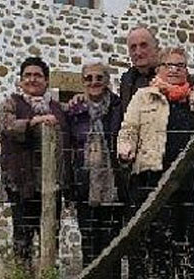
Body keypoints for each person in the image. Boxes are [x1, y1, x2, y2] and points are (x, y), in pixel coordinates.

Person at [117, 46, 194, 279]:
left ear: (186, 70)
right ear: (159, 69)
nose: (174, 70)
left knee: (188, 244)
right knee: (156, 243)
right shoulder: (144, 96)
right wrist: (125, 148)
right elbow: (129, 129)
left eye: (180, 65)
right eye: (168, 65)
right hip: (154, 181)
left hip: (191, 184)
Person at [0, 57, 64, 271]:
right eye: (28, 75)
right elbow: (6, 125)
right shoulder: (12, 103)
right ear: (20, 80)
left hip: (52, 184)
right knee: (23, 236)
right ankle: (22, 275)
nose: (32, 79)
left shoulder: (57, 107)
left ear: (46, 81)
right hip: (22, 181)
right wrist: (33, 122)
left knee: (50, 235)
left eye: (37, 75)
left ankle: (48, 274)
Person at [61, 62, 127, 273]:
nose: (94, 82)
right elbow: (67, 149)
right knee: (89, 246)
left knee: (112, 247)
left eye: (99, 77)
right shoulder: (74, 111)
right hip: (84, 187)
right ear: (82, 83)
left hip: (114, 188)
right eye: (88, 78)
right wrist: (69, 185)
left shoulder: (120, 107)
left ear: (107, 81)